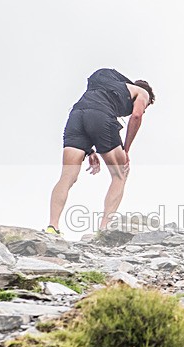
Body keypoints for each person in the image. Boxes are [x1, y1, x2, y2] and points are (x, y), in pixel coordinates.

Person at [46, 68, 155, 234]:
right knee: (120, 174)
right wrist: (126, 150)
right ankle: (104, 229)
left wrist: (90, 151)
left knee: (67, 176)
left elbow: (91, 110)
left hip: (76, 115)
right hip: (101, 117)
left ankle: (52, 227)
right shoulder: (142, 92)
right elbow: (136, 116)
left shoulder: (107, 83)